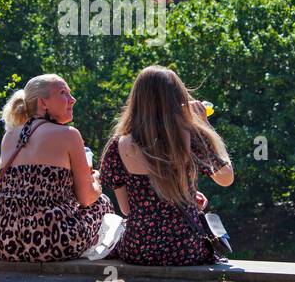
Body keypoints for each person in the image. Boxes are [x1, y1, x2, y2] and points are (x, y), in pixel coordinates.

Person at [100, 66, 234, 266]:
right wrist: (205, 126)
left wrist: (180, 196)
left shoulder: (117, 145)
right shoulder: (191, 136)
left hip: (138, 249)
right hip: (186, 249)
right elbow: (226, 178)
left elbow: (127, 210)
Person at [0, 74, 113, 261]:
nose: (73, 99)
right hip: (51, 242)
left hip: (3, 241)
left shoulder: (9, 136)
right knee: (102, 202)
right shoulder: (69, 135)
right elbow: (87, 198)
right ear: (43, 103)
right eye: (64, 93)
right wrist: (95, 181)